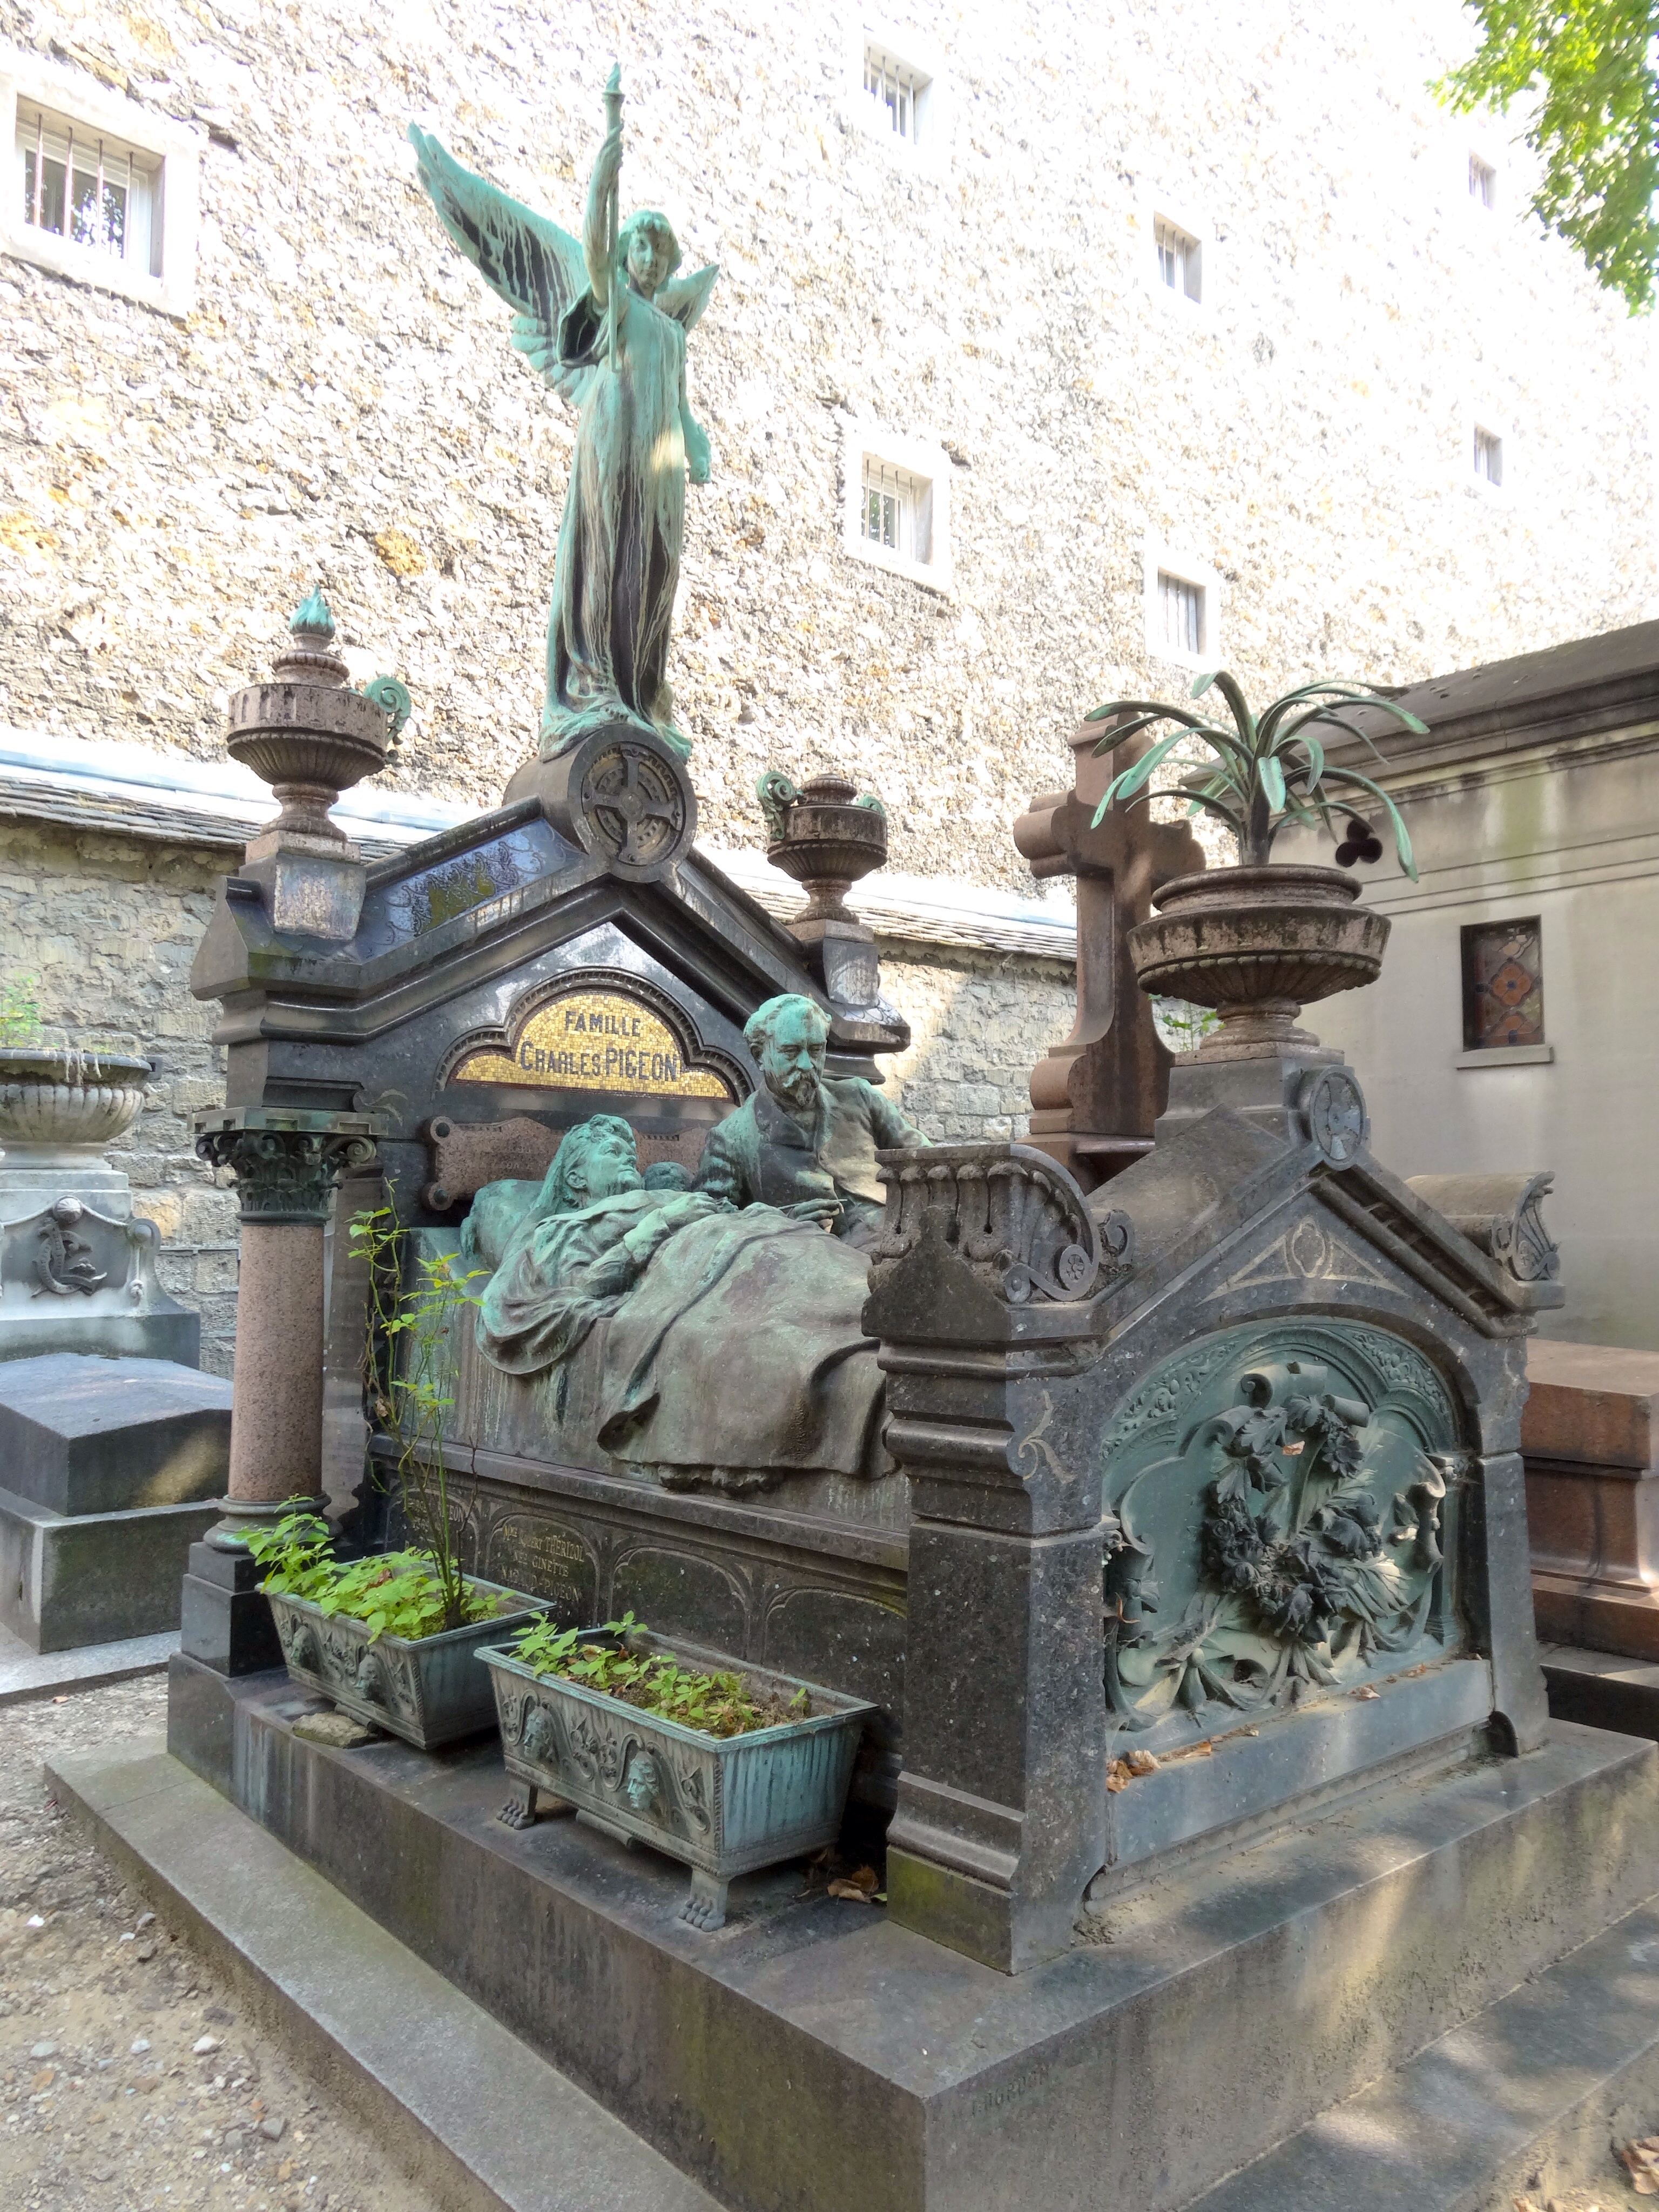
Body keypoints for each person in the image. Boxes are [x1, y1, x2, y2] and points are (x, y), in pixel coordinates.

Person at [469, 1114, 888, 1492]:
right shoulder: (564, 1228)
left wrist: (784, 1218)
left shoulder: (667, 1197)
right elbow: (585, 1288)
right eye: (612, 1152)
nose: (629, 1159)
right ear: (576, 1177)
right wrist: (660, 1224)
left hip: (753, 1251)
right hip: (704, 1279)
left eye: (631, 1153)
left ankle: (889, 1321)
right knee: (791, 1329)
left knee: (846, 1284)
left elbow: (729, 1222)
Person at [695, 995, 928, 1247]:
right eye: (791, 1052)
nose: (807, 1065)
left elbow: (926, 1159)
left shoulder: (860, 1097)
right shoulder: (730, 1138)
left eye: (816, 1050)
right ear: (759, 1055)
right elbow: (708, 1220)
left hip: (900, 1232)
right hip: (816, 1255)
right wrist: (779, 1223)